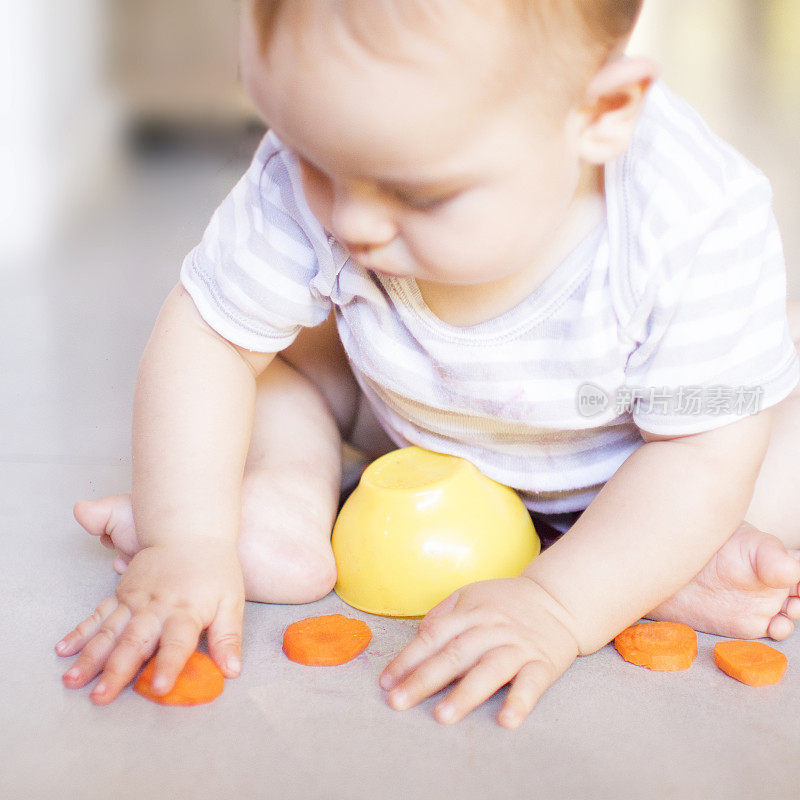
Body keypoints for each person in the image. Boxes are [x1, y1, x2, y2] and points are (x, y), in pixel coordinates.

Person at [56, 0, 800, 728]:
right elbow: (209, 332)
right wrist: (183, 535)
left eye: (417, 192)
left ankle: (634, 562)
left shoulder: (692, 219)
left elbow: (703, 455)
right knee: (276, 365)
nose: (349, 221)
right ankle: (282, 492)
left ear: (601, 114)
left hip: (640, 456)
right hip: (408, 417)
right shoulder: (333, 157)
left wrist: (555, 608)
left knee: (761, 455)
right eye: (312, 158)